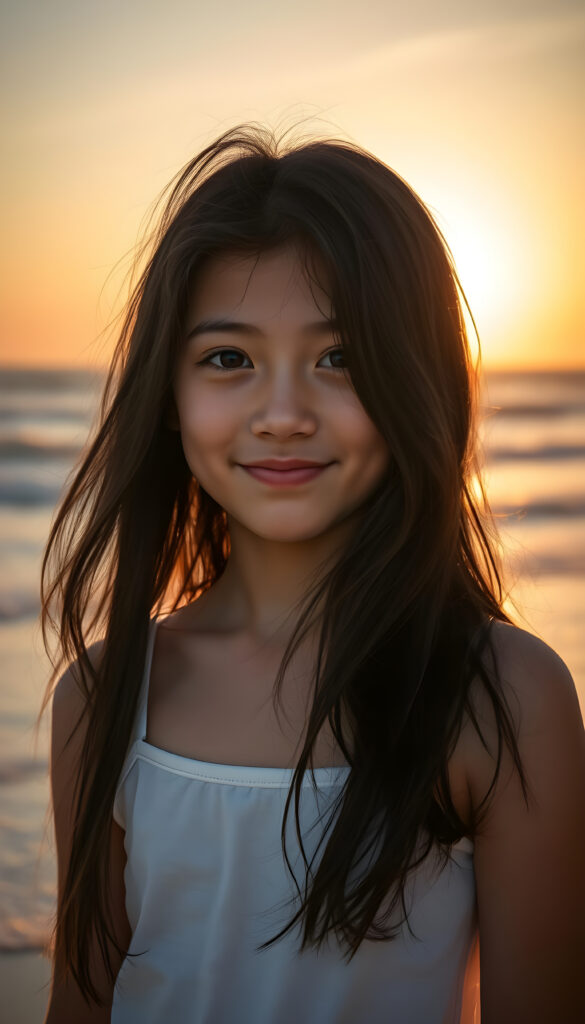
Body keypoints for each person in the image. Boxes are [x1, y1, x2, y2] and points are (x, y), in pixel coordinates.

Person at [40, 122, 585, 1024]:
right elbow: (80, 1002)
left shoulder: (498, 695)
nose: (283, 413)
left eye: (340, 358)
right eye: (229, 359)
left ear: (420, 383)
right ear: (168, 398)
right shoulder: (103, 697)